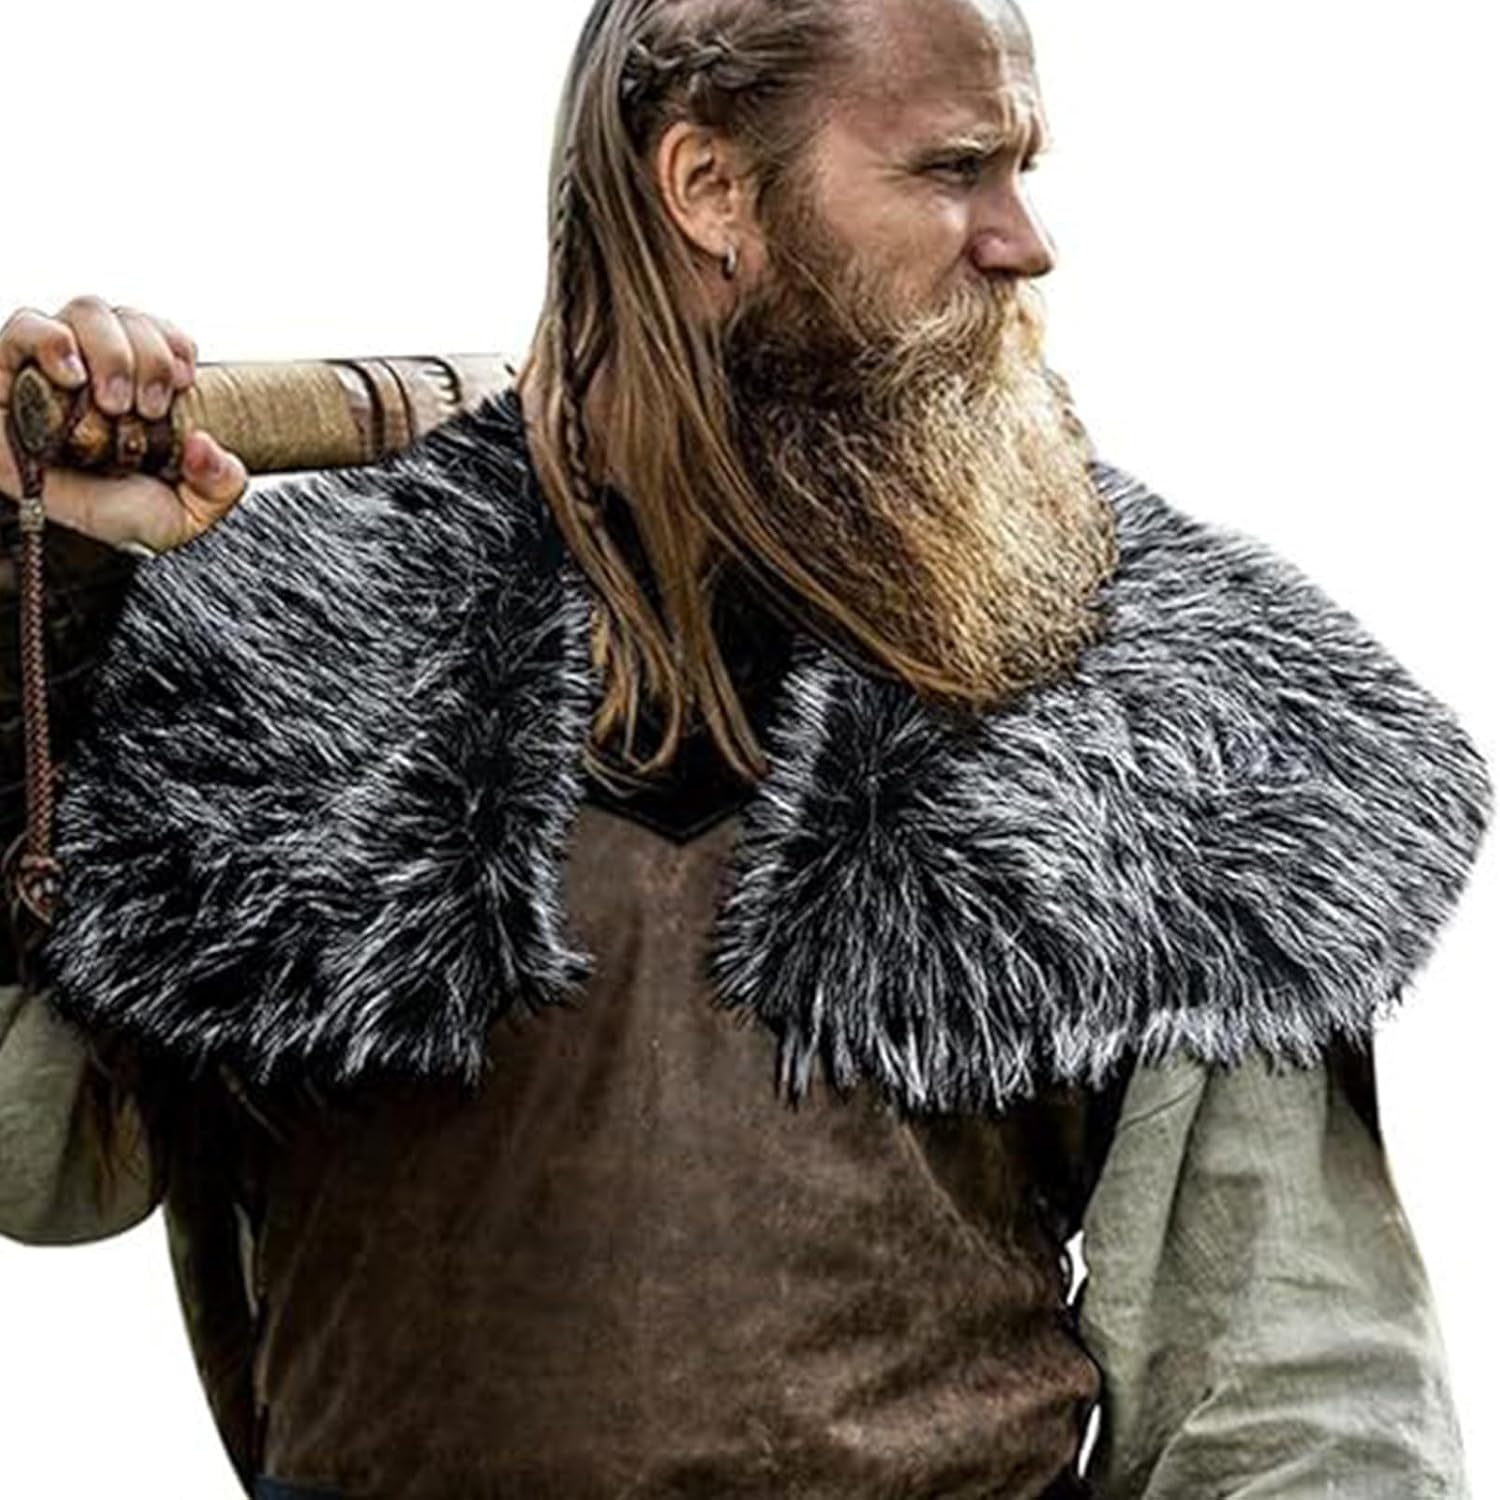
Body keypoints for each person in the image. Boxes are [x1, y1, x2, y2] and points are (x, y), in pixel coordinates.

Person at [0, 1, 1491, 1496]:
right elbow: (38, 1156)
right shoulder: (285, 652)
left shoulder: (1158, 691)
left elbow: (1299, 1403)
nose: (1023, 242)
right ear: (710, 188)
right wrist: (34, 606)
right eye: (954, 169)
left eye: (1018, 170)